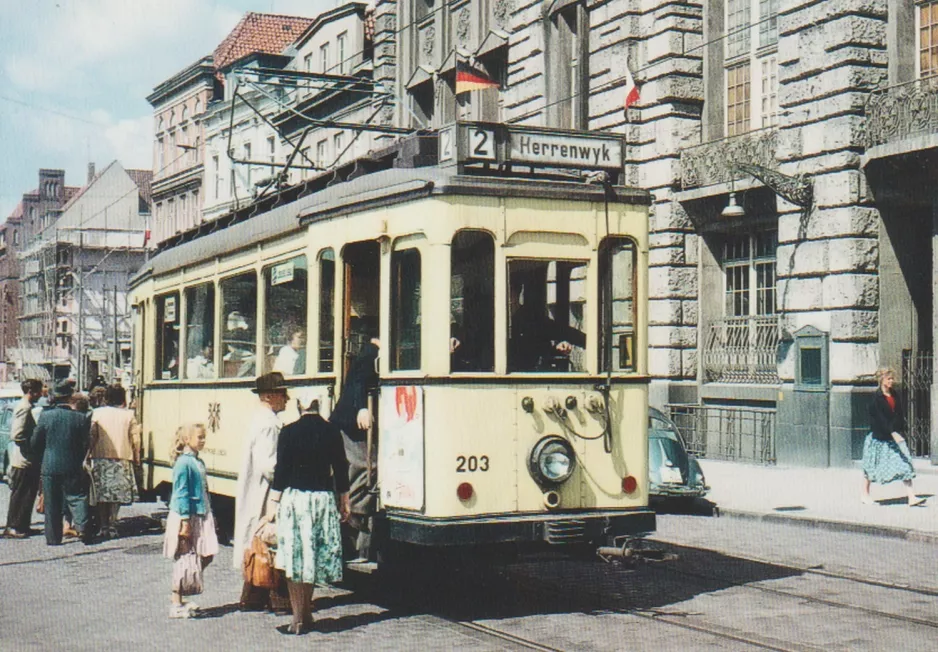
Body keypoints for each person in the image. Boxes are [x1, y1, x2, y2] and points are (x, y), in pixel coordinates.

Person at [266, 392, 350, 635]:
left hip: (296, 501)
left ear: (299, 405)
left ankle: (298, 617)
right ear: (318, 405)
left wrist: (272, 504)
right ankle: (307, 613)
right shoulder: (332, 431)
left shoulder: (288, 431)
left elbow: (280, 471)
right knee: (312, 557)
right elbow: (341, 468)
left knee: (295, 559)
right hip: (323, 500)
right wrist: (344, 500)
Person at [235, 372, 289, 610]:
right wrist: (288, 475)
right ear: (269, 396)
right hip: (264, 492)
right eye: (282, 393)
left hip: (257, 489)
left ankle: (252, 596)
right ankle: (278, 599)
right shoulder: (268, 424)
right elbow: (269, 465)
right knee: (268, 540)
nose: (286, 398)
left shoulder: (261, 420)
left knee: (257, 540)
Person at [329, 336, 379, 561]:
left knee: (367, 471)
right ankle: (350, 528)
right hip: (351, 426)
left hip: (356, 427)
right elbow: (357, 381)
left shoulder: (374, 352)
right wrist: (361, 408)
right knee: (362, 469)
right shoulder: (370, 353)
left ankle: (357, 532)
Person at [163, 424, 218, 619]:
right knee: (185, 558)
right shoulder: (184, 463)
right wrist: (185, 522)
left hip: (200, 513)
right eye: (200, 437)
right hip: (188, 516)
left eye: (204, 437)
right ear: (187, 439)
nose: (203, 440)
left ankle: (181, 593)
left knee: (205, 554)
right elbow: (181, 493)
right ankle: (176, 600)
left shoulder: (197, 461)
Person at [29, 380, 91, 545]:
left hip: (50, 465)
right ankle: (83, 528)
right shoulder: (80, 418)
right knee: (77, 496)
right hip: (73, 464)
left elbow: (35, 442)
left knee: (52, 502)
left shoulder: (46, 416)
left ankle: (53, 537)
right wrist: (78, 458)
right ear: (70, 398)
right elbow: (86, 443)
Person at [862, 368, 925, 506]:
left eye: (892, 378)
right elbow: (880, 419)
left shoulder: (895, 394)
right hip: (880, 438)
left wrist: (901, 430)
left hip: (893, 437)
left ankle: (911, 497)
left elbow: (899, 414)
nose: (891, 381)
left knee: (904, 464)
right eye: (888, 378)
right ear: (881, 380)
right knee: (872, 467)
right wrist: (892, 433)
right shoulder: (876, 399)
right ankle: (865, 494)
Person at [88, 384, 142, 539]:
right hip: (122, 458)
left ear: (106, 398)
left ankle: (103, 525)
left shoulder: (96, 413)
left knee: (101, 495)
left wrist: (87, 455)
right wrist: (137, 458)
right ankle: (112, 524)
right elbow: (135, 439)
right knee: (115, 496)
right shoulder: (129, 415)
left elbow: (92, 436)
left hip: (99, 457)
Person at [507, 269, 586, 372]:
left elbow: (560, 333)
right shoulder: (494, 320)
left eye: (510, 293)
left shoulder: (531, 319)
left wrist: (558, 348)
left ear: (517, 294)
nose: (508, 299)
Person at [3, 379, 44, 538]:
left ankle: (23, 525)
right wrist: (31, 446)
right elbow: (17, 434)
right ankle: (13, 526)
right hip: (23, 459)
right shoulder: (24, 407)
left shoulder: (27, 407)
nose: (40, 395)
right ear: (31, 391)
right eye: (38, 391)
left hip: (27, 460)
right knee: (20, 494)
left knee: (28, 494)